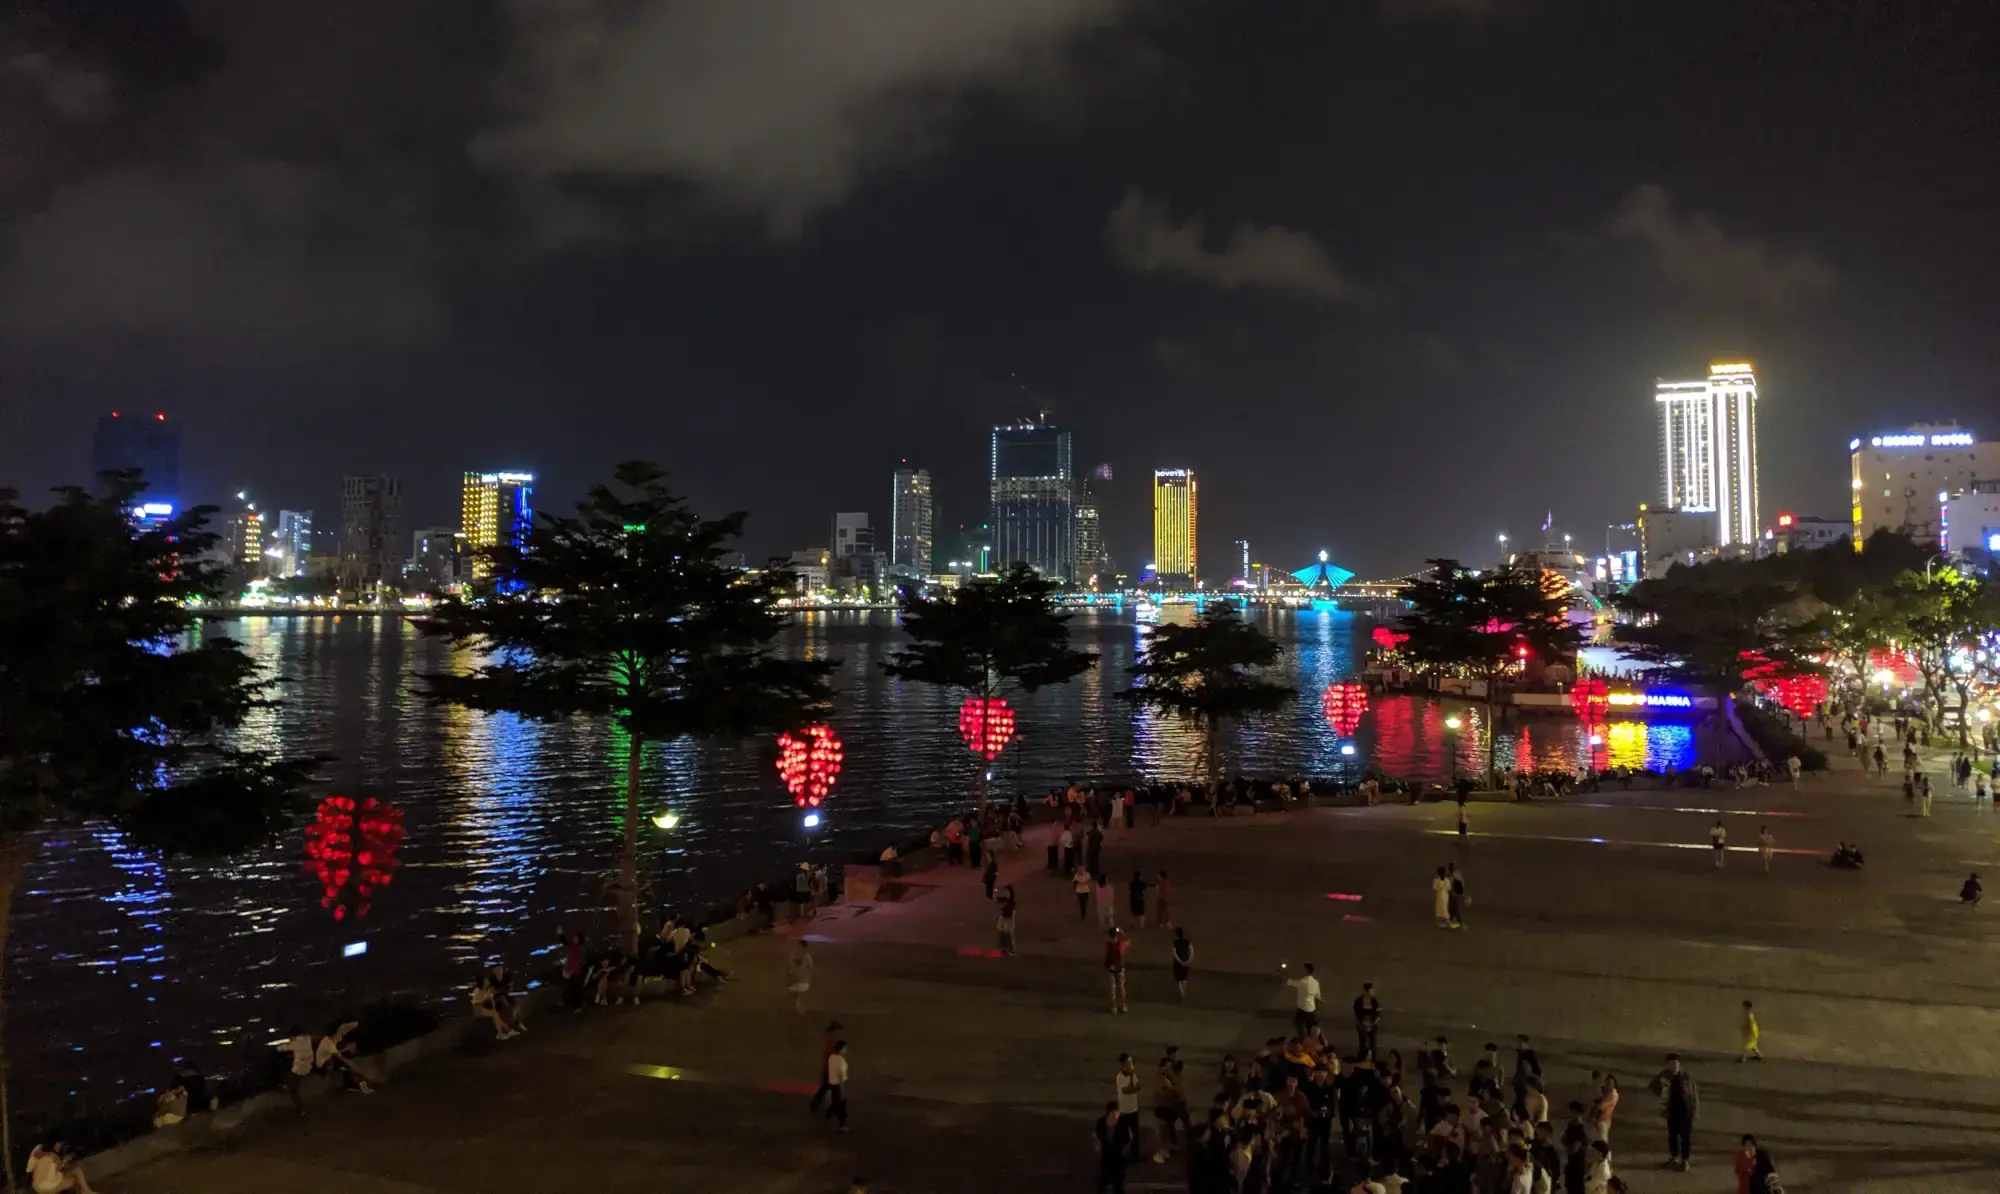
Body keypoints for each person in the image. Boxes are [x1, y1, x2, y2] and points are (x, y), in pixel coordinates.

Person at [1648, 1054, 1698, 1171]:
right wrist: (1662, 1096)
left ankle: (1685, 1160)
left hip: (1686, 1111)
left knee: (1686, 1137)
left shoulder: (1686, 1077)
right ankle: (1674, 1157)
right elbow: (1653, 1086)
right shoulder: (1664, 1076)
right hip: (1671, 1111)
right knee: (1672, 1136)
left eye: (1676, 1064)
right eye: (1671, 1064)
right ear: (1668, 1065)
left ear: (1679, 1065)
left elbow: (1694, 1095)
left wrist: (1695, 1111)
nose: (1674, 1067)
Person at [25, 1142, 92, 1194]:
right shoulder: (46, 1159)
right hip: (49, 1185)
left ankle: (86, 1191)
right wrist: (64, 1162)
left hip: (46, 1183)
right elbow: (51, 1175)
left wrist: (64, 1162)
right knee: (73, 1179)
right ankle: (86, 1191)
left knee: (76, 1172)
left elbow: (57, 1169)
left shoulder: (47, 1157)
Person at [276, 1026, 314, 1114]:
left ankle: (302, 1109)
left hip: (298, 1069)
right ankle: (286, 1084)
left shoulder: (296, 1043)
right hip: (307, 1066)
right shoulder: (306, 1040)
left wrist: (277, 1047)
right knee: (287, 1077)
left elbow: (281, 1048)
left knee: (293, 1091)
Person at [1114, 1053, 1144, 1160]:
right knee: (1124, 1134)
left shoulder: (1133, 1075)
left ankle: (1134, 1155)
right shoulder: (1119, 1077)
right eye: (1128, 1063)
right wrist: (1135, 1086)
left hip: (1133, 1108)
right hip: (1124, 1110)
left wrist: (1135, 1086)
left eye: (1130, 1063)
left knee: (1136, 1134)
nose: (1130, 1065)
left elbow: (1138, 1086)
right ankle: (1122, 1155)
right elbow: (1127, 1090)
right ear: (1122, 1064)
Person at [809, 1020, 844, 1112]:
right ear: (835, 1030)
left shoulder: (827, 1039)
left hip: (826, 1069)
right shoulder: (831, 1040)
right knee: (835, 1090)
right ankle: (835, 1106)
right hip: (829, 1070)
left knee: (825, 1088)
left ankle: (814, 1104)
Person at [1094, 1102, 1128, 1194]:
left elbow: (1126, 1138)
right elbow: (1098, 1136)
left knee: (1117, 1183)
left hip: (1117, 1157)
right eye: (1114, 1113)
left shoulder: (1122, 1123)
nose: (1116, 1116)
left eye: (1117, 1113)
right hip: (1105, 1156)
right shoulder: (1101, 1122)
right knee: (1103, 1180)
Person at [1284, 961, 1321, 1038]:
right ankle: (1310, 1040)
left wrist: (1285, 972)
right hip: (1312, 1009)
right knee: (1309, 1027)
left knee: (1298, 1024)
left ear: (1307, 971)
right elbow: (1318, 995)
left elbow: (1289, 982)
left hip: (1303, 1009)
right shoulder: (1315, 982)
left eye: (1303, 969)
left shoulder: (1302, 982)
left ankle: (1303, 1040)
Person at [823, 1040, 850, 1131]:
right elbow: (841, 1078)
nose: (846, 1050)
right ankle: (842, 1125)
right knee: (841, 1106)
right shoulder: (841, 1062)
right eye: (845, 1048)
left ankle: (828, 1114)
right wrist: (843, 1091)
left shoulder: (831, 1058)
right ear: (841, 1050)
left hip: (831, 1084)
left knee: (836, 1104)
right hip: (838, 1086)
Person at [1105, 927, 1131, 1014]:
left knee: (1112, 988)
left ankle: (1113, 1007)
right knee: (1121, 987)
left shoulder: (1107, 945)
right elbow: (1128, 940)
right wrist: (1122, 932)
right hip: (1120, 968)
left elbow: (1104, 954)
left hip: (1110, 968)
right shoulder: (1121, 944)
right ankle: (1123, 1006)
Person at [785, 940, 815, 1013]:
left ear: (804, 947)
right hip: (795, 979)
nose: (799, 948)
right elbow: (789, 966)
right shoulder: (793, 955)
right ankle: (797, 1004)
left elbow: (811, 968)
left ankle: (799, 1005)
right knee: (793, 991)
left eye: (801, 946)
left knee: (799, 991)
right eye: (798, 946)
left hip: (803, 980)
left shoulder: (807, 957)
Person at [1354, 982, 1382, 1057]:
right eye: (1370, 991)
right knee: (1362, 1043)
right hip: (1362, 1025)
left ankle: (1373, 1059)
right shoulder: (1359, 1001)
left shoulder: (1374, 1001)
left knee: (1372, 1045)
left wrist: (1372, 1025)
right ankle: (1362, 1058)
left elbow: (1378, 1015)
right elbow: (1356, 1014)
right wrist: (1361, 1025)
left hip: (1372, 1025)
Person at [1171, 927, 1193, 1002]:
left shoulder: (1175, 942)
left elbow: (1174, 953)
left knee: (1179, 980)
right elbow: (1192, 951)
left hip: (1178, 964)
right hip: (1186, 962)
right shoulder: (1187, 941)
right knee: (1184, 979)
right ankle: (1184, 993)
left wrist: (1180, 961)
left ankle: (1183, 995)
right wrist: (1189, 960)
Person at [997, 889, 1018, 954]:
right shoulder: (1008, 902)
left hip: (1007, 919)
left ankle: (1009, 949)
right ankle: (1006, 949)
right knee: (1004, 934)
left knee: (1007, 934)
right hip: (1005, 918)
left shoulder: (1010, 902)